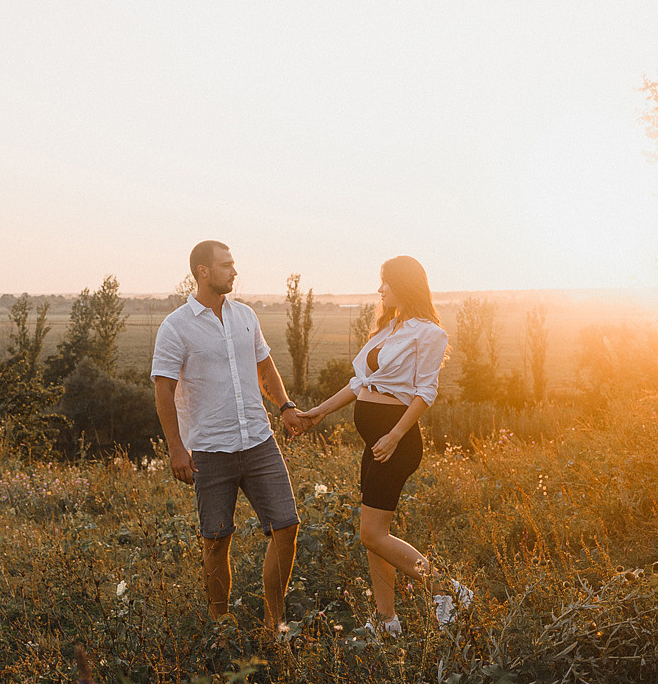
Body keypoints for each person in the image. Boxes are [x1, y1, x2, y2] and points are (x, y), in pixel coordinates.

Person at [286, 255, 472, 636]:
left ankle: (448, 590)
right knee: (376, 535)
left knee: (371, 533)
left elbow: (425, 393)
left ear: (404, 285)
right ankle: (386, 620)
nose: (379, 288)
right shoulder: (387, 328)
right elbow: (360, 385)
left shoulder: (429, 333)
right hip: (376, 440)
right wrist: (318, 412)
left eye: (385, 281)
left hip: (395, 441)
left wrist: (396, 434)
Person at [151, 240, 303, 640]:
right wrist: (176, 448)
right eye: (226, 265)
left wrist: (285, 406)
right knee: (216, 541)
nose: (234, 271)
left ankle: (274, 623)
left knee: (286, 526)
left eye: (233, 264)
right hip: (209, 450)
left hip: (258, 441)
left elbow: (265, 365)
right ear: (202, 271)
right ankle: (222, 631)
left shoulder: (246, 316)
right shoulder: (176, 326)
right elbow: (163, 391)